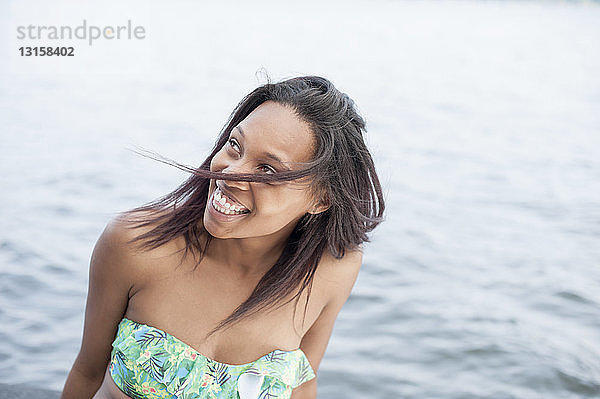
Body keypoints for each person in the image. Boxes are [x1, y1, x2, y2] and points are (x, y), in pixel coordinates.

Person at [60, 75, 385, 399]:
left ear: (321, 199)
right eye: (235, 146)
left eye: (267, 170)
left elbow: (303, 382)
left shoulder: (331, 270)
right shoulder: (135, 244)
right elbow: (87, 372)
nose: (229, 174)